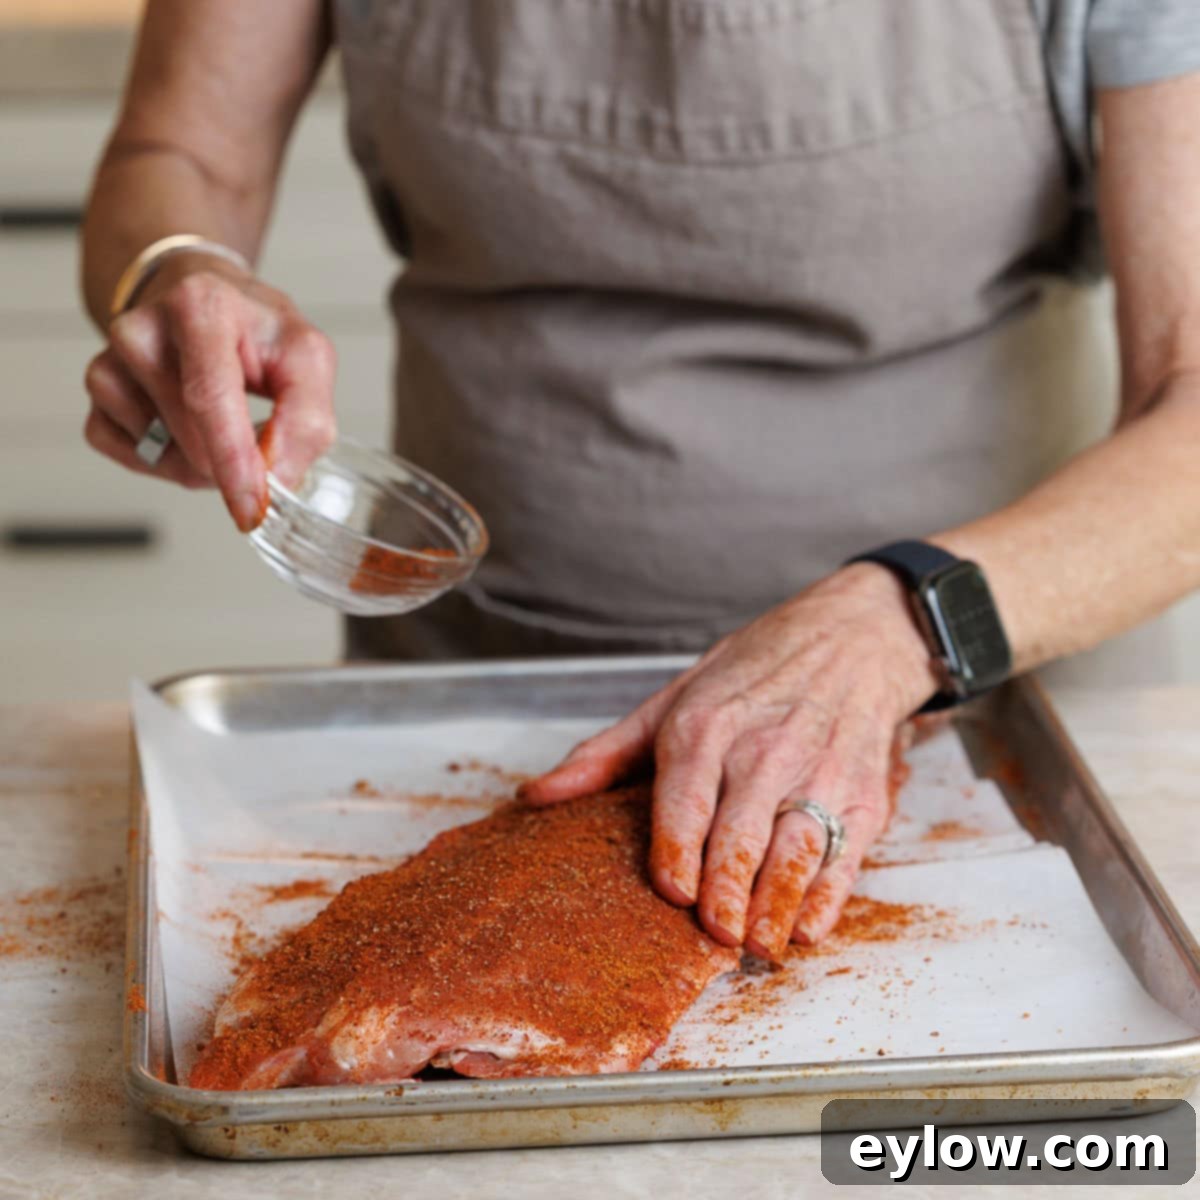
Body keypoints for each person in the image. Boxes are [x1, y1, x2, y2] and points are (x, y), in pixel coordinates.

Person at [81, 2, 1200, 962]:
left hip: (983, 720)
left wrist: (901, 621)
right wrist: (179, 268)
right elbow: (180, 156)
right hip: (475, 708)